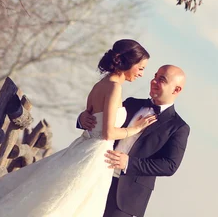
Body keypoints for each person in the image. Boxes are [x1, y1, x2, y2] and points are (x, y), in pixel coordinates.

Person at [0, 39, 156, 217]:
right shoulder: (115, 88)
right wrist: (134, 129)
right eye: (140, 68)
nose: (141, 73)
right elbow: (108, 132)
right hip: (96, 154)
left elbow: (90, 116)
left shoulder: (100, 84)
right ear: (128, 63)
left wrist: (84, 116)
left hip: (84, 147)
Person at [78, 64, 190, 217]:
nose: (154, 81)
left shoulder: (178, 127)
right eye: (155, 76)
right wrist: (82, 118)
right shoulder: (131, 103)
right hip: (96, 176)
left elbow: (170, 165)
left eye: (161, 80)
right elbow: (103, 123)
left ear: (176, 90)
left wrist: (129, 163)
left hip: (125, 198)